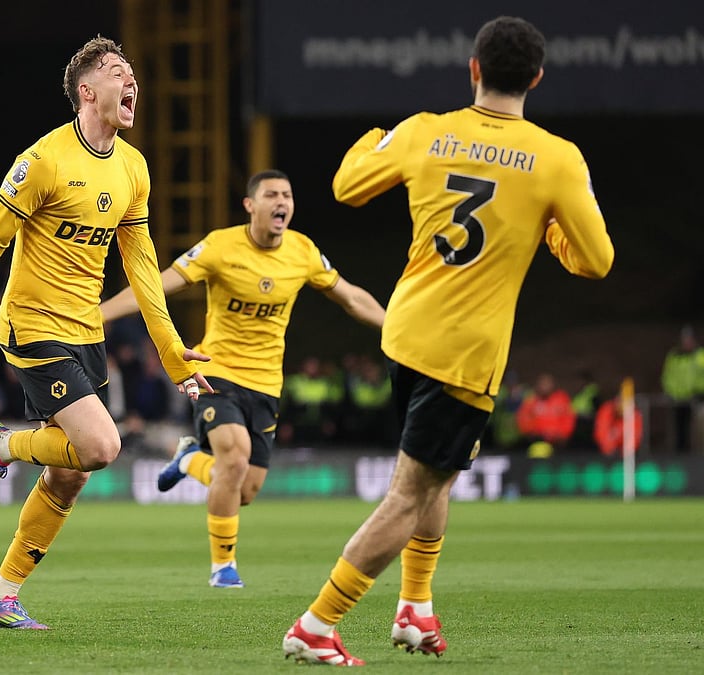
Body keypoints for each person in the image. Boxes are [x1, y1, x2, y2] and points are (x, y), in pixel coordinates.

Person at [281, 17, 614, 666]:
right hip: (465, 353)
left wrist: (381, 134)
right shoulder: (556, 158)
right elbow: (595, 259)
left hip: (406, 333)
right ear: (537, 79)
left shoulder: (426, 130)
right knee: (411, 492)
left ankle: (415, 607)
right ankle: (317, 623)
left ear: (473, 69)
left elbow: (347, 186)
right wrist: (549, 231)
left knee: (437, 479)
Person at [0, 35, 211, 630]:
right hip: (32, 326)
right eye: (117, 71)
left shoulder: (133, 168)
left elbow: (144, 269)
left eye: (133, 74)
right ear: (87, 91)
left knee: (70, 473)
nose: (132, 83)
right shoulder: (43, 160)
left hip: (85, 331)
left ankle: (0, 598)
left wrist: (173, 353)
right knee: (102, 446)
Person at [99, 170, 384, 588]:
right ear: (251, 205)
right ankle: (223, 568)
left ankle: (189, 459)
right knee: (233, 459)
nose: (281, 201)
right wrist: (99, 313)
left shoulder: (303, 251)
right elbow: (158, 285)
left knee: (244, 489)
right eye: (271, 195)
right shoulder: (220, 245)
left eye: (287, 195)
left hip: (267, 384)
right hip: (217, 372)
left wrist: (396, 327)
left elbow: (352, 297)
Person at [660, 326, 702, 453]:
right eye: (685, 339)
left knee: (696, 429)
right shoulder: (674, 356)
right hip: (677, 398)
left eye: (689, 339)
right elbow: (667, 375)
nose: (687, 342)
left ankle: (695, 454)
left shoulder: (700, 355)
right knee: (678, 427)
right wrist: (669, 391)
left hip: (697, 398)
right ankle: (681, 454)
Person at [515, 372, 575, 455]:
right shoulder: (531, 401)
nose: (544, 387)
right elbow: (523, 419)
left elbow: (569, 419)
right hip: (536, 441)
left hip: (558, 443)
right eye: (542, 384)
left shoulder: (561, 399)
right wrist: (533, 432)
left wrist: (562, 434)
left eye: (547, 384)